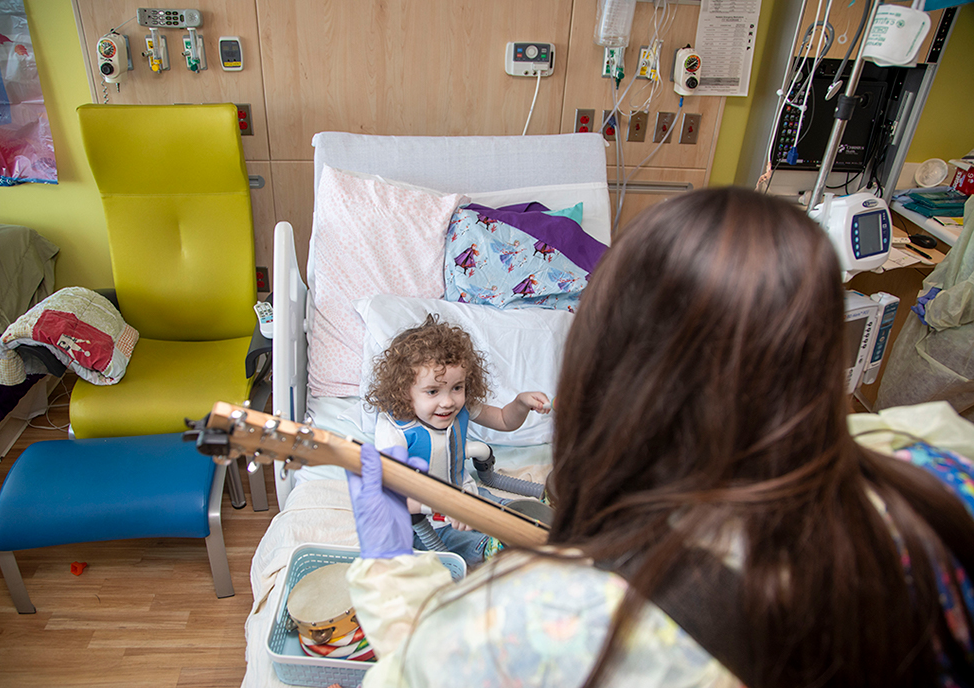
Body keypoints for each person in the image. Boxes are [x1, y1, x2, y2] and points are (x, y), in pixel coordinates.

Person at [345, 187, 974, 687]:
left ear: (610, 371)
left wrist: (389, 568)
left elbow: (420, 672)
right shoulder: (936, 456)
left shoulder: (558, 619)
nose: (449, 403)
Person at [364, 314, 550, 565]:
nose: (448, 401)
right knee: (475, 544)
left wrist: (520, 403)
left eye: (457, 388)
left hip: (467, 496)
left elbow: (505, 421)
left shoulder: (460, 409)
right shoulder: (394, 432)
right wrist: (449, 506)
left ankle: (547, 523)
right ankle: (499, 551)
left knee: (523, 516)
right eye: (432, 391)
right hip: (427, 521)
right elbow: (393, 497)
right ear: (404, 391)